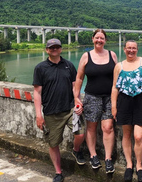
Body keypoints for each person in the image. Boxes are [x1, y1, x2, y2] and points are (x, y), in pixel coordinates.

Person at [33, 38, 85, 182]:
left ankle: (76, 150)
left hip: (69, 109)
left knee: (80, 134)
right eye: (51, 47)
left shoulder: (68, 65)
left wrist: (77, 101)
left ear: (61, 49)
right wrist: (39, 115)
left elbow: (75, 86)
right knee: (53, 143)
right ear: (47, 50)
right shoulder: (40, 68)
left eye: (57, 47)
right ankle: (58, 172)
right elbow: (37, 93)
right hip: (51, 112)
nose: (54, 49)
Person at [112, 40, 142, 182]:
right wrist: (114, 106)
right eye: (129, 48)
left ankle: (139, 166)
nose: (131, 50)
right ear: (124, 49)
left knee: (138, 136)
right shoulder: (119, 66)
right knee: (126, 134)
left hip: (141, 101)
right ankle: (129, 165)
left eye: (134, 48)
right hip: (124, 101)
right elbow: (115, 87)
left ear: (137, 49)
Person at [73, 29, 118, 173]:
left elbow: (118, 76)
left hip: (109, 98)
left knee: (108, 127)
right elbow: (79, 78)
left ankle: (108, 158)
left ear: (105, 40)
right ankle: (93, 155)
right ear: (92, 39)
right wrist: (77, 98)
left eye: (102, 38)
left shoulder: (112, 55)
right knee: (91, 127)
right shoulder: (86, 56)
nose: (99, 40)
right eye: (97, 38)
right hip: (92, 97)